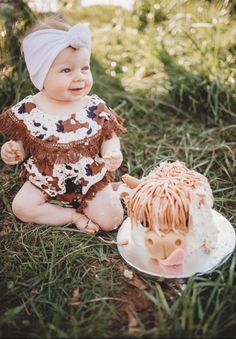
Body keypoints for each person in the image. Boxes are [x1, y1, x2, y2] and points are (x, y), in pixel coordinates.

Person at [0, 17, 126, 235]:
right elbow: (22, 142)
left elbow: (109, 136)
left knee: (112, 220)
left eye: (84, 68)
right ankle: (71, 216)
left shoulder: (94, 106)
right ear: (41, 75)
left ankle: (115, 191)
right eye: (66, 70)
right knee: (21, 207)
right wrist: (14, 151)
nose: (79, 77)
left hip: (87, 179)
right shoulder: (30, 109)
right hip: (44, 180)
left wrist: (113, 151)